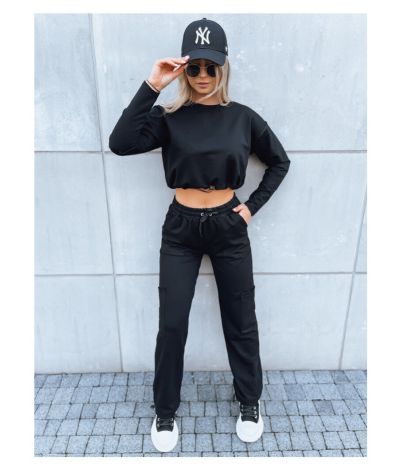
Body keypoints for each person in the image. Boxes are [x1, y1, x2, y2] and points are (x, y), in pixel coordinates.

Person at [108, 18, 291, 453]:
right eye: (195, 68)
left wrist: (251, 207)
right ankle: (164, 410)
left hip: (229, 225)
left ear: (223, 68)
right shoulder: (168, 118)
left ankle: (250, 401)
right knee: (172, 325)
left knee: (240, 320)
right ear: (184, 69)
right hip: (181, 230)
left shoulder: (243, 117)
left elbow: (279, 162)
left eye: (211, 67)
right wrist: (153, 85)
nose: (203, 76)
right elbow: (120, 142)